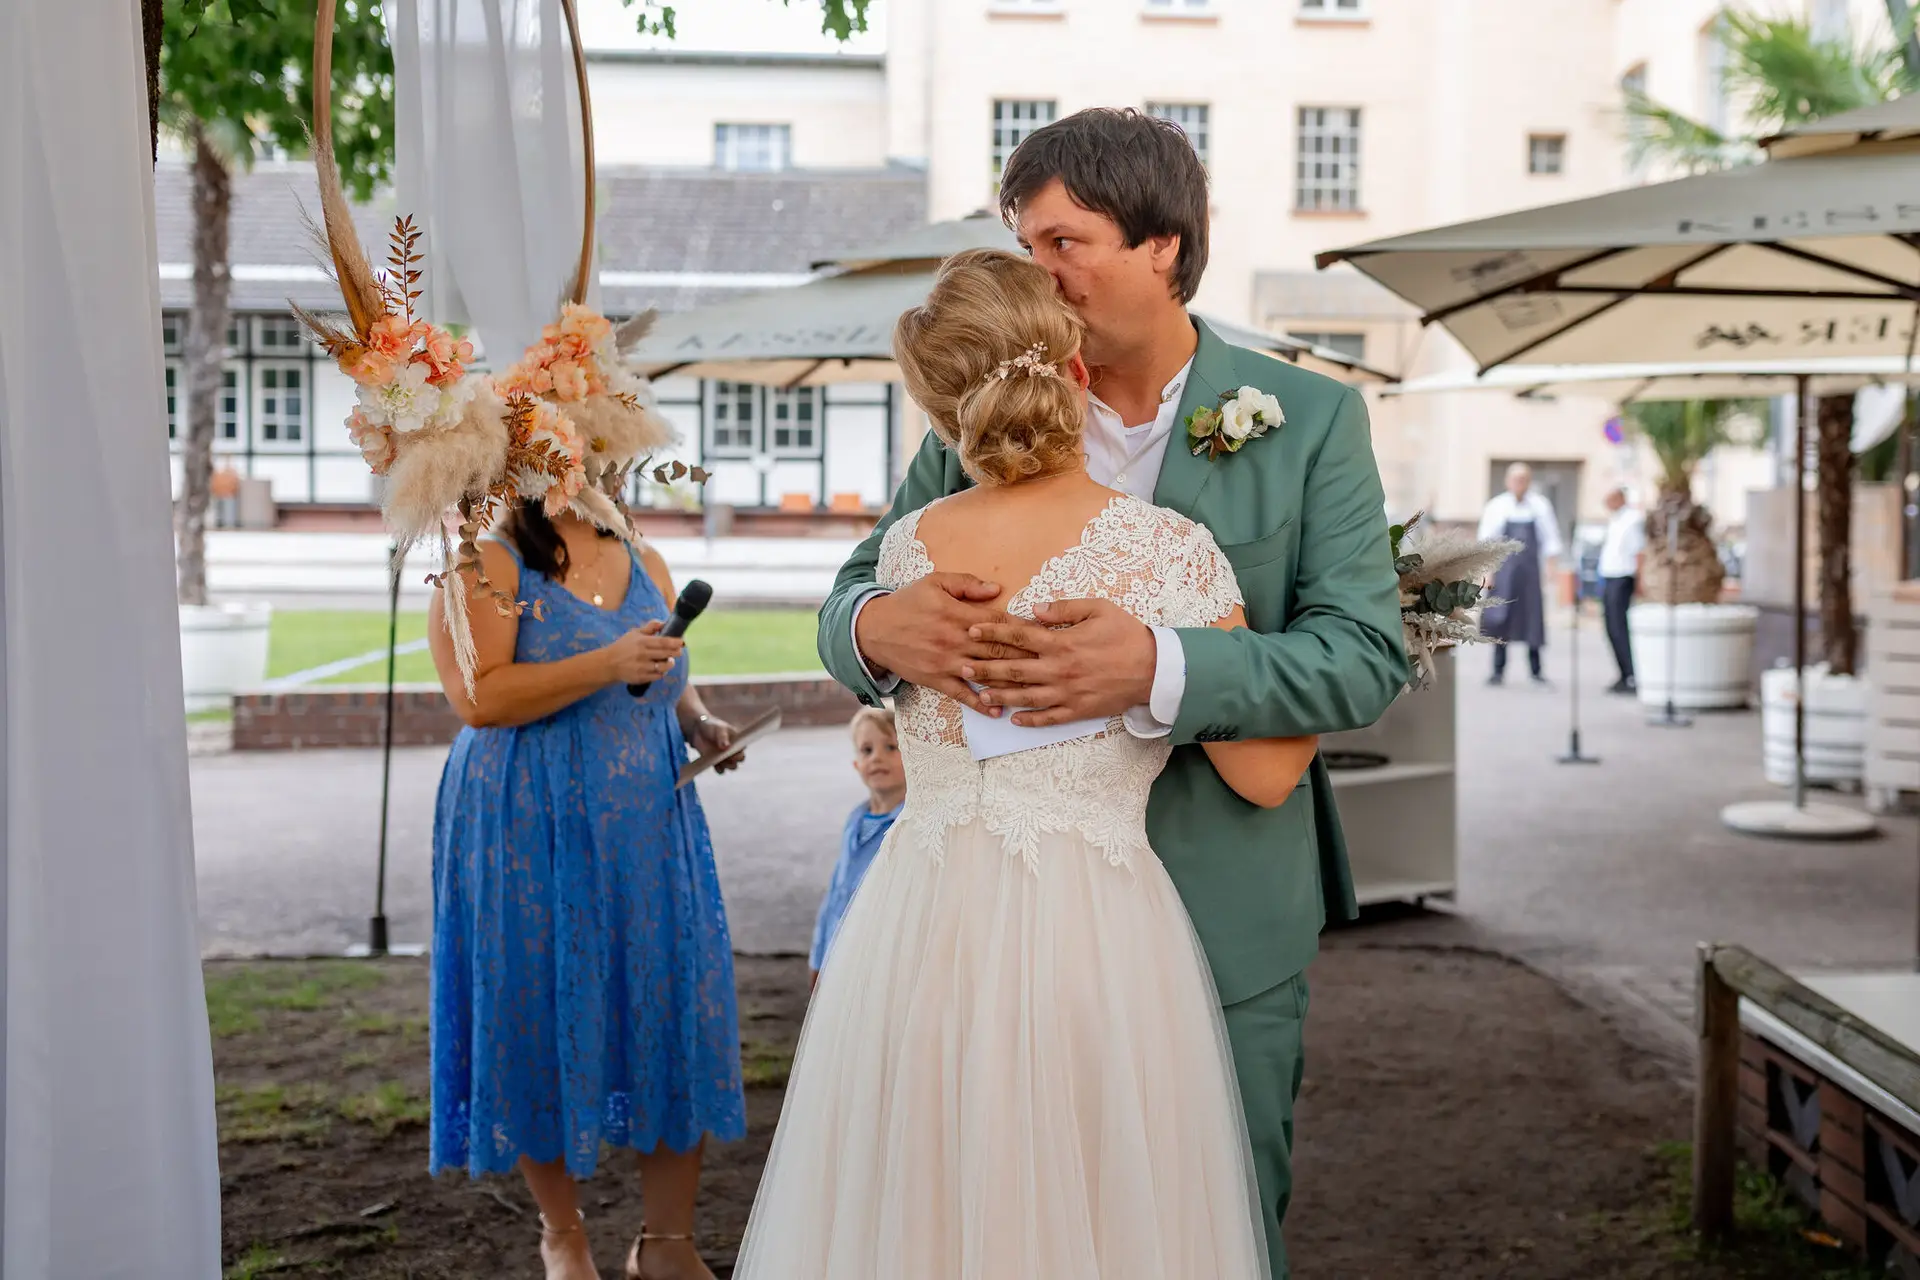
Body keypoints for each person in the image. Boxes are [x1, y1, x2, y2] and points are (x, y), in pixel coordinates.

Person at [812, 108, 1408, 1278]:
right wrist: (881, 627)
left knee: (1204, 1230)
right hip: (983, 931)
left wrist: (1160, 667)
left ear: (1163, 249)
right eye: (1024, 242)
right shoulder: (984, 407)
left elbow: (1362, 652)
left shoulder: (1311, 418)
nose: (1037, 269)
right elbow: (849, 598)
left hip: (1227, 911)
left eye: (1063, 241)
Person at [736, 246, 1322, 1280]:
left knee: (924, 1208)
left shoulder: (908, 557)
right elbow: (1267, 774)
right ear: (1078, 373)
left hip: (918, 933)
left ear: (941, 411)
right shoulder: (1165, 552)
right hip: (1094, 935)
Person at [425, 504, 748, 1280]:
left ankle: (667, 1243)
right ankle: (562, 1233)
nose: (598, 468)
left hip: (645, 820)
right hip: (526, 821)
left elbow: (668, 677)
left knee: (668, 1004)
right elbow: (478, 699)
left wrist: (700, 721)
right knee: (539, 1005)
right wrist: (606, 664)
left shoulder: (645, 558)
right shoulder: (486, 565)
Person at [808, 707, 905, 991]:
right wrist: (818, 958)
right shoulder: (855, 820)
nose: (877, 757)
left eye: (891, 747)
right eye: (866, 750)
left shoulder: (908, 824)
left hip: (878, 955)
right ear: (856, 765)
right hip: (839, 952)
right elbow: (836, 894)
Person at [1478, 462, 1564, 685]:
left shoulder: (1540, 506)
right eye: (1515, 479)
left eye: (1523, 479)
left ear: (1529, 481)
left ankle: (1536, 671)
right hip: (1503, 573)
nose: (1519, 484)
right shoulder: (1496, 506)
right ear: (1507, 481)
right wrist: (1488, 574)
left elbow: (1551, 540)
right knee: (1500, 618)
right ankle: (1498, 670)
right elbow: (1487, 543)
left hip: (1530, 574)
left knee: (1533, 619)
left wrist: (1551, 570)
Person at [1597, 485, 1645, 694]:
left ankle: (1631, 675)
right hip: (1609, 576)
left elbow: (1639, 552)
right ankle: (1623, 673)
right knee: (1610, 626)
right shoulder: (1615, 519)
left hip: (1623, 577)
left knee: (1619, 627)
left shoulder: (1633, 519)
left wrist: (1640, 581)